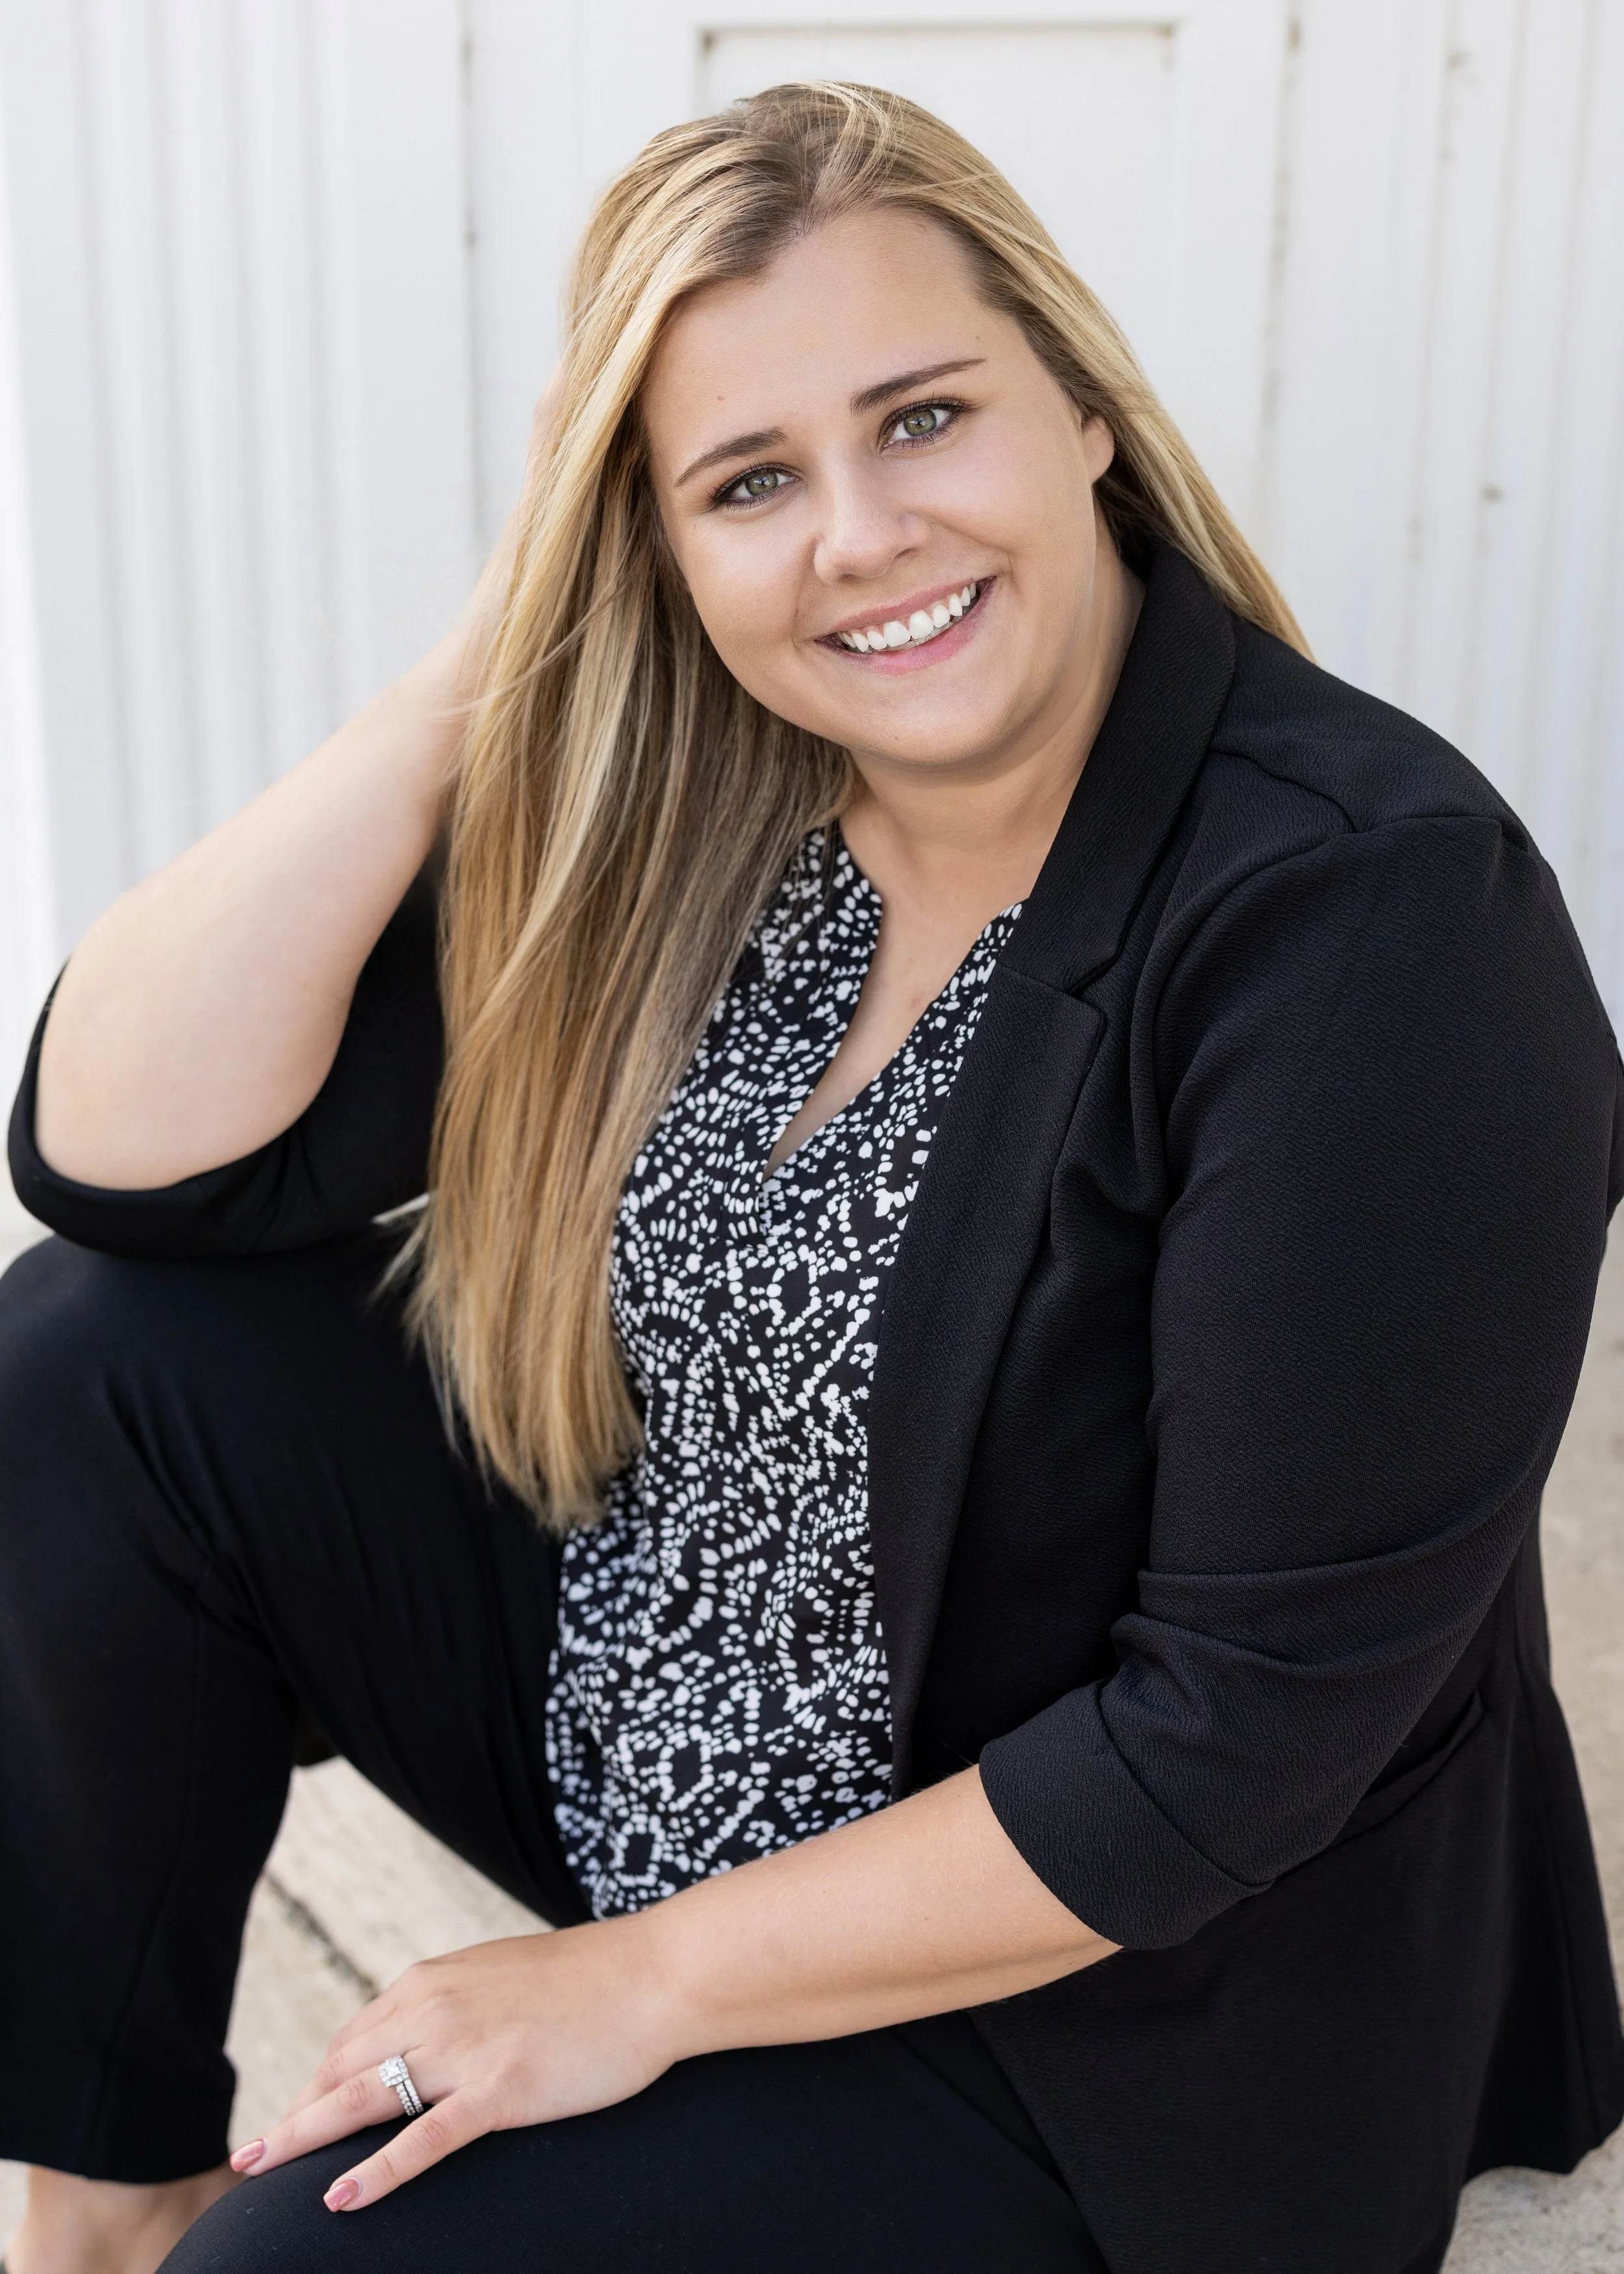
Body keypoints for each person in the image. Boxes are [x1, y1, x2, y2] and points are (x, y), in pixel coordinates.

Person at [2, 80, 1620, 2274]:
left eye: (922, 417)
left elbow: (1221, 1755)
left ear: (1080, 413)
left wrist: (612, 1989)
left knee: (310, 2269)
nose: (856, 534)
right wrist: (468, 684)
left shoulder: (1368, 923)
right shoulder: (724, 804)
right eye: (745, 480)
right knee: (90, 1363)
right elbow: (122, 1160)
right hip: (680, 1728)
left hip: (1109, 1988)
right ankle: (97, 2209)